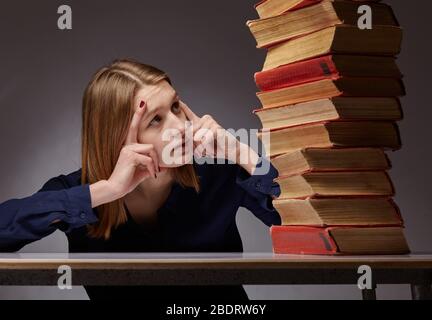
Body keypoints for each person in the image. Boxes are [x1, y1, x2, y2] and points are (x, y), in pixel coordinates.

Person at [0, 59, 281, 300]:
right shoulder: (78, 193)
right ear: (118, 137)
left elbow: (317, 227)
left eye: (174, 107)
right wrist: (107, 190)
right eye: (155, 120)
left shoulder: (217, 173)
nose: (180, 127)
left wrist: (238, 151)